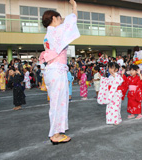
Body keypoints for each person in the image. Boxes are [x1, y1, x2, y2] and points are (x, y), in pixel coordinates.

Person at [39, 0, 80, 145]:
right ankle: (55, 134)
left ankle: (58, 131)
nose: (62, 21)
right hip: (56, 70)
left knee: (59, 102)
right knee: (58, 103)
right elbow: (71, 22)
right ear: (54, 19)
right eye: (60, 18)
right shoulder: (55, 32)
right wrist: (74, 7)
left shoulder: (48, 35)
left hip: (53, 70)